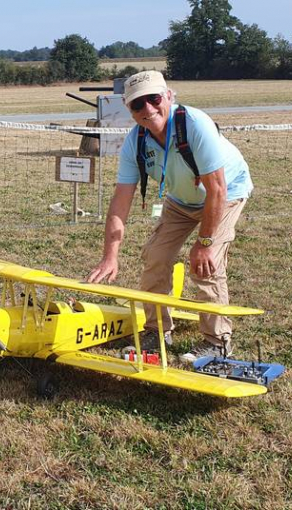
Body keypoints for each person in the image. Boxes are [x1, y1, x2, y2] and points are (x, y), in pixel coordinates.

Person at [86, 71, 253, 362]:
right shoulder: (134, 143)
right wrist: (110, 255)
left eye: (154, 99)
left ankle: (217, 342)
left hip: (226, 193)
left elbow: (217, 188)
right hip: (181, 199)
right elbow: (120, 203)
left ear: (169, 97)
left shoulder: (195, 124)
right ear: (129, 109)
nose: (148, 109)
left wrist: (204, 242)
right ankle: (156, 330)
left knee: (206, 263)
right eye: (138, 104)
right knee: (156, 256)